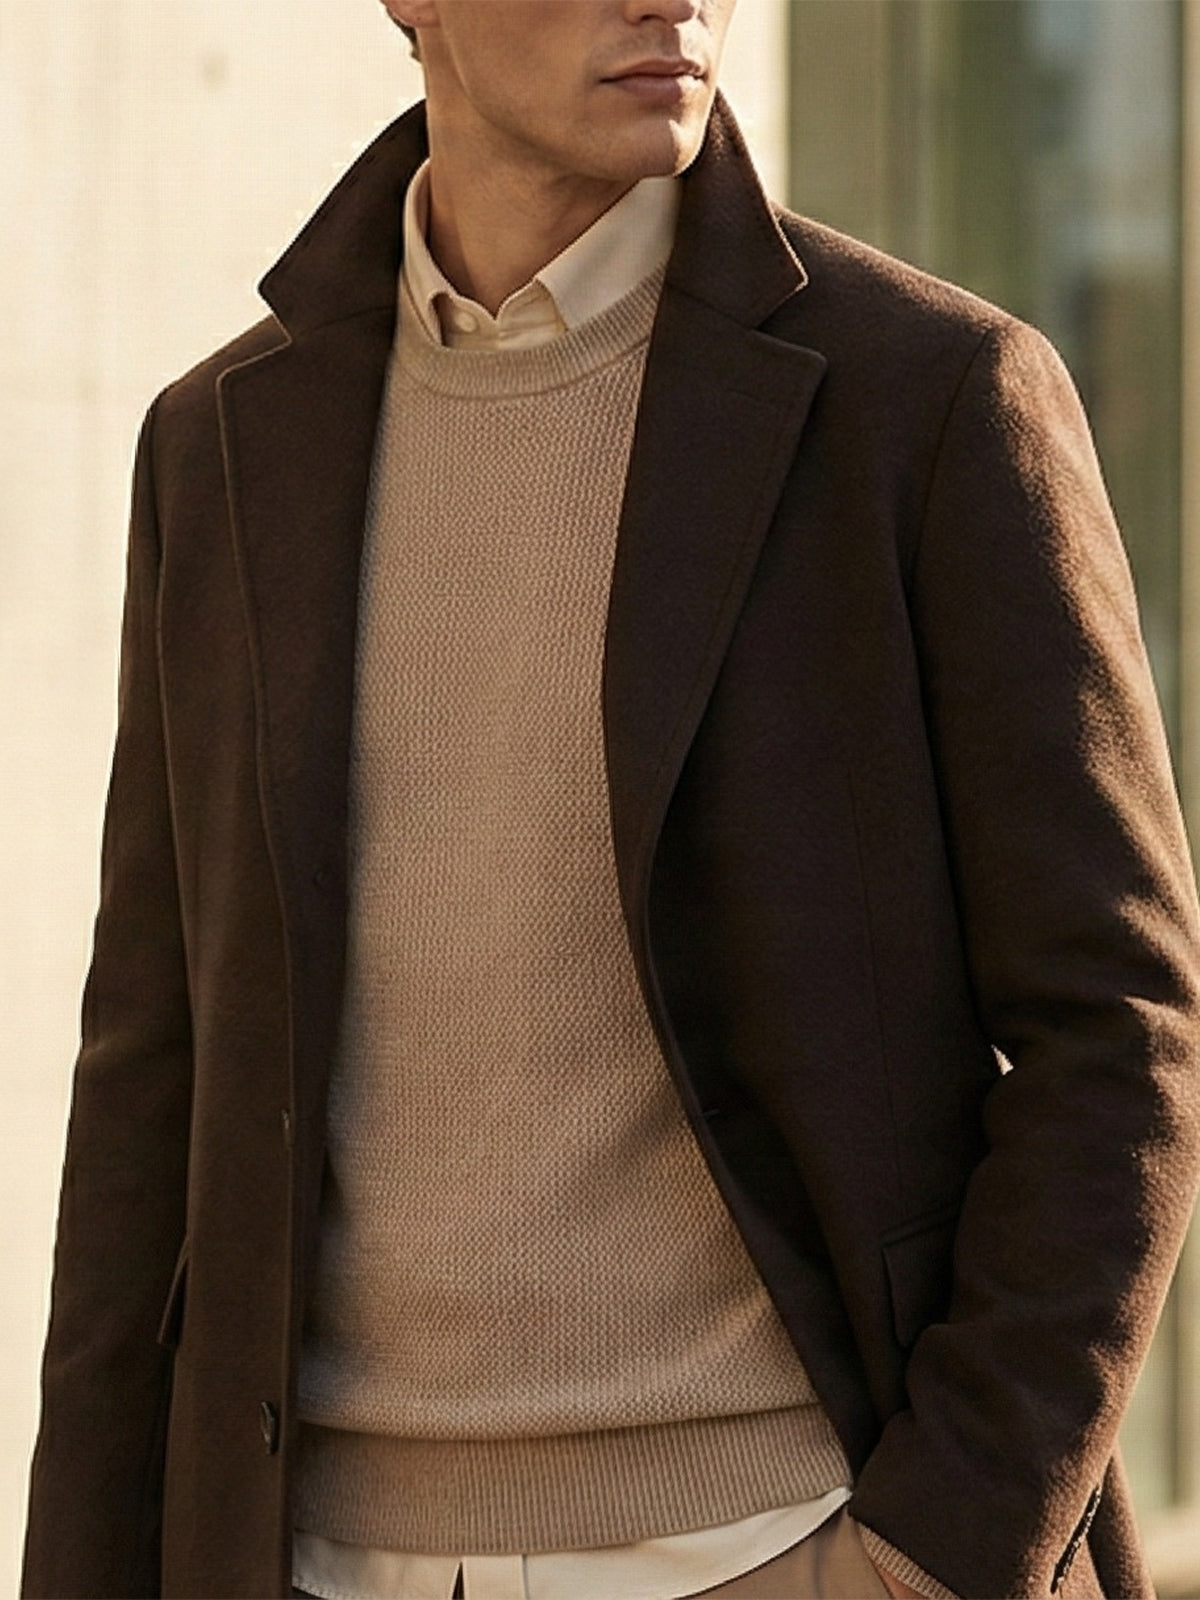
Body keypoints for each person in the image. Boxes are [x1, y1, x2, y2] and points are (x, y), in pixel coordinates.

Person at [21, 1, 1200, 1596]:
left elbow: (1121, 1029)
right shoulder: (222, 444)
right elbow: (151, 1080)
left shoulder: (930, 399)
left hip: (778, 1545)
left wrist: (932, 1551)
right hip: (314, 1558)